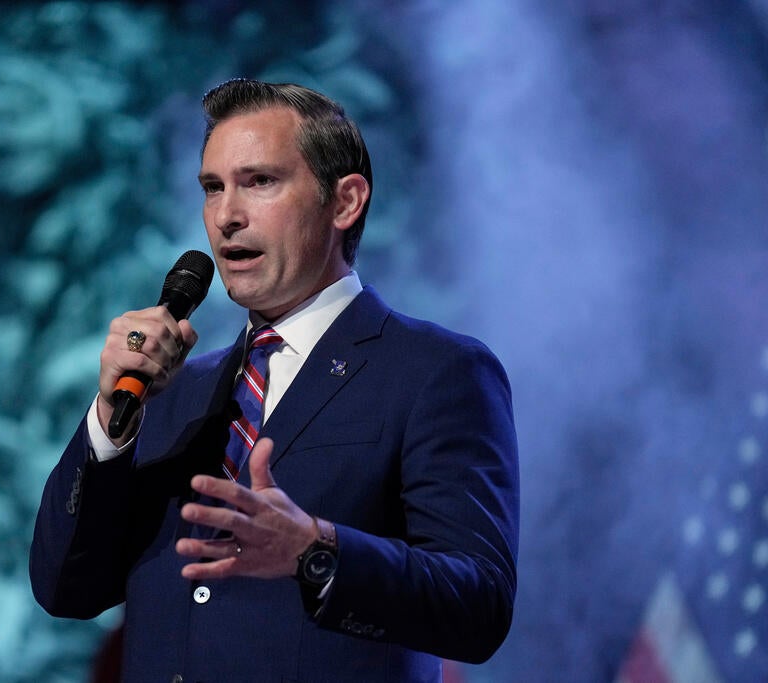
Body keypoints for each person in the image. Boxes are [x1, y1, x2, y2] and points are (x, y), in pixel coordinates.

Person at [30, 78, 519, 683]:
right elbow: (64, 588)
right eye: (213, 188)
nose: (226, 216)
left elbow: (479, 606)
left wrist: (316, 550)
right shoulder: (173, 392)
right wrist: (110, 422)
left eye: (259, 181)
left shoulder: (435, 372)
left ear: (345, 202)